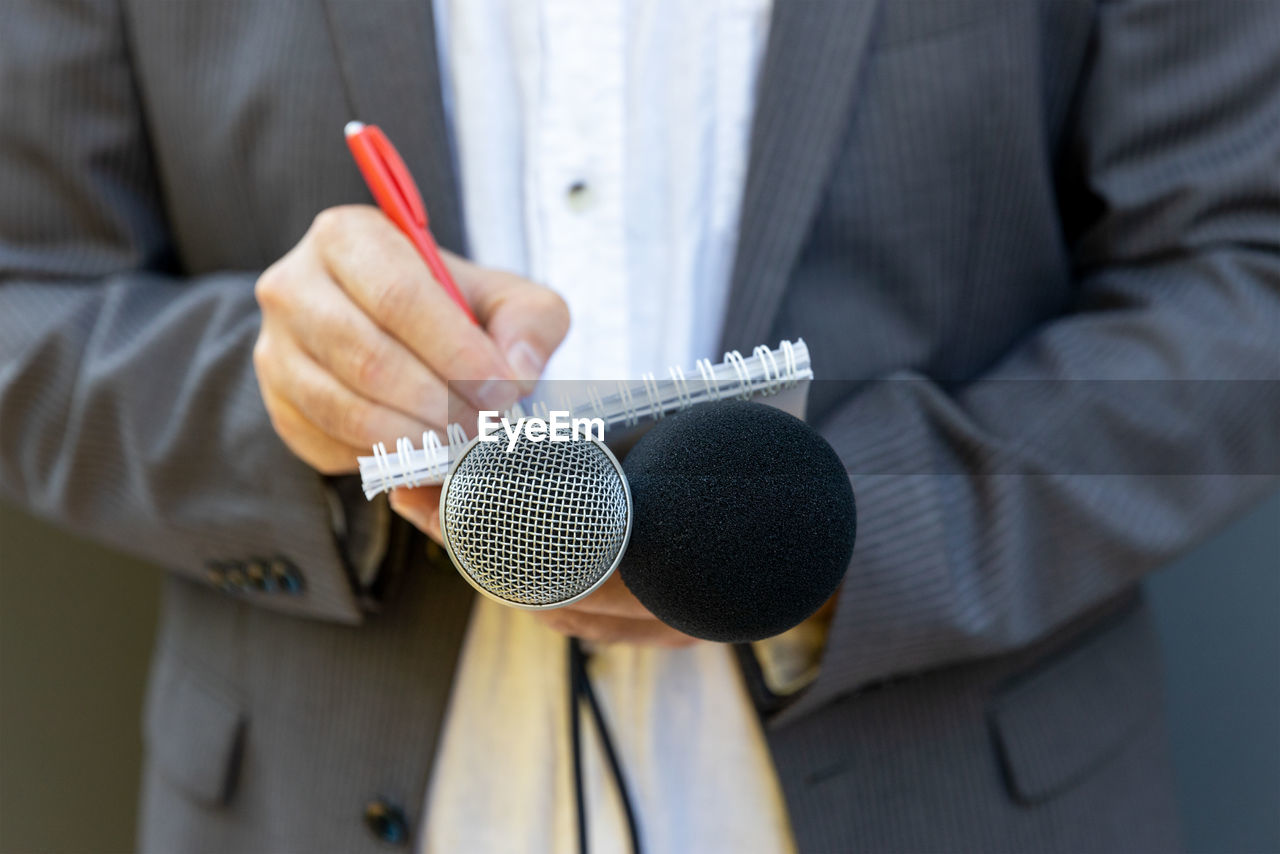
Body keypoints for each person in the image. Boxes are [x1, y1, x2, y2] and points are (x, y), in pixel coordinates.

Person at [2, 0, 1278, 851]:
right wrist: (278, 389)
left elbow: (1243, 271)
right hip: (311, 791)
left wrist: (828, 527)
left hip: (954, 793)